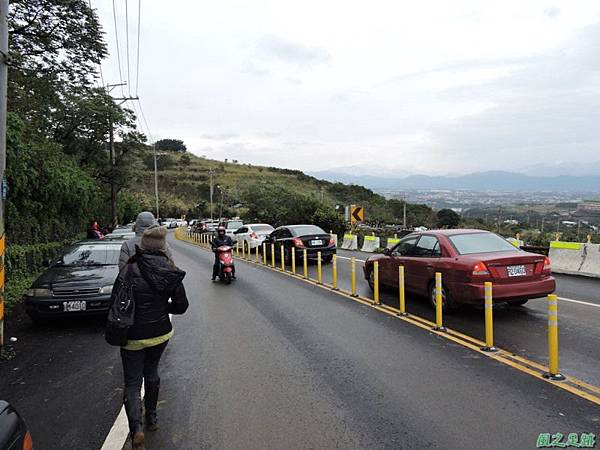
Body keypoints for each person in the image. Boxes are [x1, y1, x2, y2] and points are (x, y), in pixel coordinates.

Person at [118, 225, 188, 450]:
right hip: (160, 333)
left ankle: (136, 429)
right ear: (163, 247)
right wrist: (163, 307)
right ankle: (152, 418)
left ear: (142, 246)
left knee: (131, 381)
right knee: (152, 372)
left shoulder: (129, 268)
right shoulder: (170, 269)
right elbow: (181, 305)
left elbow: (116, 303)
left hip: (132, 335)